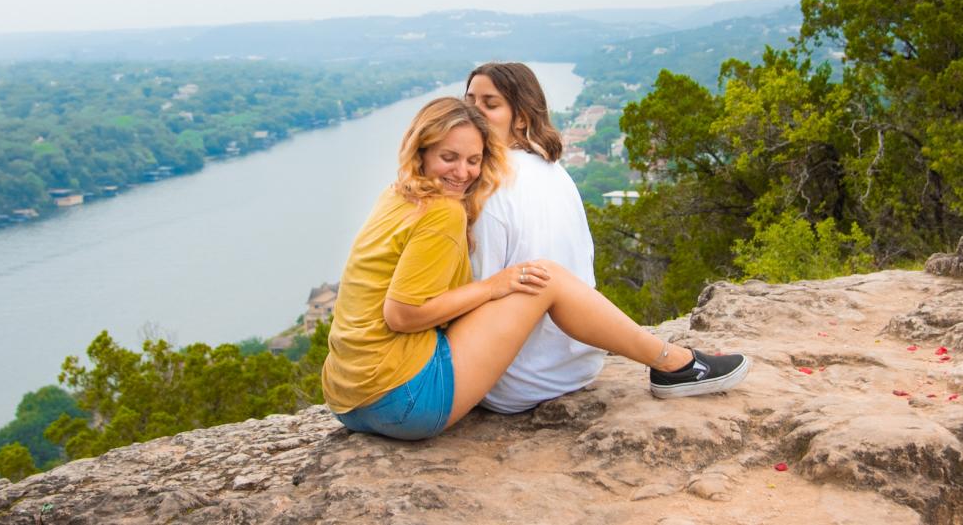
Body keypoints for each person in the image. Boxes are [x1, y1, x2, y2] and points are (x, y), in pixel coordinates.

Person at [321, 97, 750, 441]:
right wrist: (496, 286)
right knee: (544, 278)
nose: (463, 172)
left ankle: (672, 363)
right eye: (449, 157)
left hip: (349, 400)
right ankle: (674, 364)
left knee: (531, 278)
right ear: (422, 150)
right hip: (403, 401)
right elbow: (402, 314)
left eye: (473, 160)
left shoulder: (396, 195)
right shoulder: (441, 212)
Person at [466, 62, 605, 412]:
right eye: (469, 101)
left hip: (514, 382)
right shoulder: (555, 171)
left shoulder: (490, 190)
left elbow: (478, 292)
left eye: (490, 103)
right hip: (579, 364)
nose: (473, 112)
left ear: (522, 118)